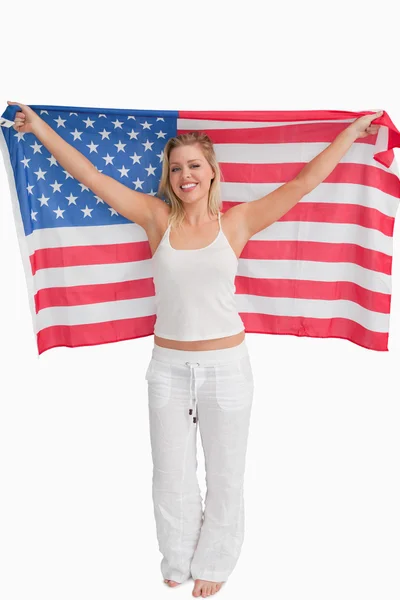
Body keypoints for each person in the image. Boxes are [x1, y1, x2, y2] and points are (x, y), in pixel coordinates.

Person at [8, 101, 383, 598]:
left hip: (227, 369)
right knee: (170, 472)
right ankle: (177, 556)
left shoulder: (238, 223)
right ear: (169, 175)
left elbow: (302, 184)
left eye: (194, 166)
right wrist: (38, 129)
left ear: (211, 173)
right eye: (177, 167)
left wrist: (352, 132)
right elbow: (92, 176)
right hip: (167, 367)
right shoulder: (156, 218)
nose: (185, 175)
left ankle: (216, 560)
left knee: (226, 472)